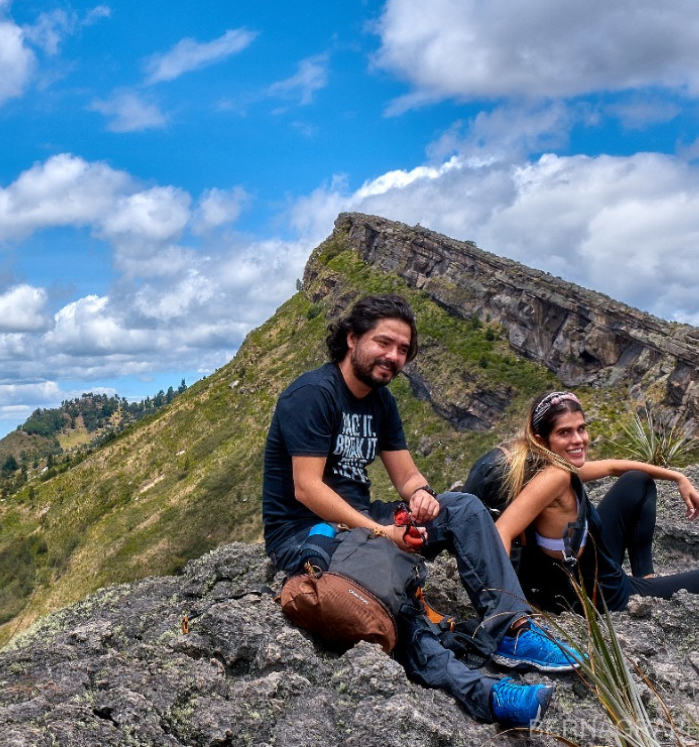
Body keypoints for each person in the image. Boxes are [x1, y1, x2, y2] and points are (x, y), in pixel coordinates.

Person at [263, 294, 581, 728]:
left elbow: (406, 473)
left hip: (363, 518)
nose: (394, 357)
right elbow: (307, 489)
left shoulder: (380, 401)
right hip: (308, 530)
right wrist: (381, 532)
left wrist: (421, 497)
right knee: (396, 598)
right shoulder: (312, 395)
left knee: (464, 507)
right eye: (384, 343)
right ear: (352, 338)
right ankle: (489, 696)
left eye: (403, 350)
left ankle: (512, 629)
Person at [490, 389, 699, 612]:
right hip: (605, 596)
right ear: (542, 439)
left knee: (637, 481)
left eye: (581, 429)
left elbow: (611, 467)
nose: (578, 439)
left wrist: (678, 477)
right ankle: (643, 593)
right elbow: (502, 530)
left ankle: (646, 578)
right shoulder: (555, 478)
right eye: (564, 433)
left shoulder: (544, 466)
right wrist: (508, 609)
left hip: (583, 573)